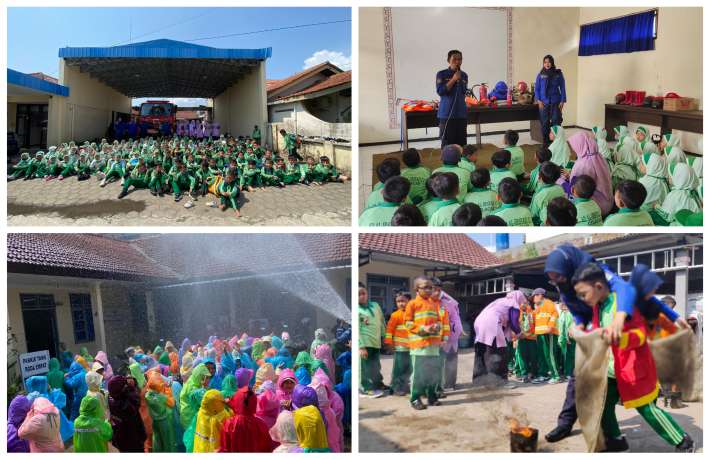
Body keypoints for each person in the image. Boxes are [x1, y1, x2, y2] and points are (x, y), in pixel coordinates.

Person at [571, 263, 695, 452]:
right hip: (610, 367)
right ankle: (616, 441)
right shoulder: (598, 306)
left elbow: (642, 334)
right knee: (603, 406)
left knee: (647, 409)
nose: (582, 299)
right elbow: (598, 329)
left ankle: (682, 440)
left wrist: (621, 339)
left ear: (598, 286)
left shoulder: (626, 302)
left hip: (633, 366)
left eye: (583, 293)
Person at [404, 275, 449, 410]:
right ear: (416, 289)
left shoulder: (435, 304)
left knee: (433, 373)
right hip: (419, 346)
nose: (429, 290)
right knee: (419, 374)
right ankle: (415, 398)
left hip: (433, 346)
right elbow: (408, 323)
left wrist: (437, 327)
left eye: (431, 287)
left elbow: (440, 321)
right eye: (426, 287)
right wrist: (423, 329)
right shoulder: (412, 304)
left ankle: (432, 396)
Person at [473, 291, 525, 388]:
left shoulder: (500, 301)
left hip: (479, 322)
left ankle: (479, 381)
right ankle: (499, 381)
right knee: (498, 352)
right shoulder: (513, 303)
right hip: (491, 323)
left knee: (482, 351)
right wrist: (519, 333)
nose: (522, 302)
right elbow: (514, 322)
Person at [568, 131, 614, 216]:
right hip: (607, 201)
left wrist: (567, 179)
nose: (573, 149)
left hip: (594, 207)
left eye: (574, 146)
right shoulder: (597, 156)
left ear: (581, 145)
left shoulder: (583, 164)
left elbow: (578, 188)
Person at [220, 387, 273, 452]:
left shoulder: (228, 424)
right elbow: (267, 448)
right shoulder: (261, 425)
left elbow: (225, 448)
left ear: (236, 400)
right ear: (254, 402)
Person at [433, 278, 464, 392]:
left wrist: (459, 330)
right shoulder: (430, 301)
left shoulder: (448, 302)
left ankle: (449, 384)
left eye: (438, 290)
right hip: (439, 336)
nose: (436, 292)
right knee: (441, 361)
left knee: (450, 359)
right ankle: (441, 384)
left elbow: (455, 318)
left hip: (449, 335)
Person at [436, 49, 468, 147]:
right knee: (447, 145)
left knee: (461, 144)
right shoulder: (441, 74)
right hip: (447, 114)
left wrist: (459, 79)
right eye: (455, 59)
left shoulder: (464, 75)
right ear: (448, 60)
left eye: (460, 59)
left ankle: (462, 162)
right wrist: (454, 79)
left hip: (461, 114)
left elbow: (464, 92)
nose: (458, 62)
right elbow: (441, 91)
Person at [107, 375, 147, 453]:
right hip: (134, 439)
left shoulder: (110, 400)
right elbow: (136, 401)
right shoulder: (126, 405)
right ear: (123, 389)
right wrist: (131, 388)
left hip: (120, 439)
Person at [384, 291, 413, 396]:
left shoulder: (413, 314)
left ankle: (404, 386)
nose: (401, 303)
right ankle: (395, 387)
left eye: (403, 301)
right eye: (398, 301)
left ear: (409, 301)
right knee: (399, 369)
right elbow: (389, 330)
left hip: (412, 348)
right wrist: (389, 344)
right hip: (400, 348)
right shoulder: (395, 315)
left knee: (409, 368)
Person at [535, 55, 567, 145]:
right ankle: (545, 142)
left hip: (555, 101)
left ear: (552, 63)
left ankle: (555, 142)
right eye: (545, 62)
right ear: (543, 63)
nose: (547, 64)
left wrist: (562, 101)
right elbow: (537, 89)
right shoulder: (540, 75)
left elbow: (562, 87)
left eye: (549, 62)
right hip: (543, 102)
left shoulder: (558, 74)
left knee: (556, 121)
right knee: (544, 123)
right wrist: (538, 100)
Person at [530, 288, 560, 384]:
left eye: (534, 296)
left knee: (550, 355)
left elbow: (555, 314)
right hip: (540, 334)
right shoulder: (537, 308)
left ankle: (556, 376)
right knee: (542, 355)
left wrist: (550, 326)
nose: (533, 299)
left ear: (540, 295)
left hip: (549, 333)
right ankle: (543, 375)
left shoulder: (549, 303)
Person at [145, 372, 178, 452]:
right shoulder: (162, 397)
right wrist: (168, 392)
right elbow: (172, 403)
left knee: (158, 440)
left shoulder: (147, 395)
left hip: (155, 421)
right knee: (168, 442)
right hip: (165, 421)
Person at [530, 161, 565, 226]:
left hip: (546, 221)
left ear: (540, 177)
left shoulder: (539, 195)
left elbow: (533, 214)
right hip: (560, 218)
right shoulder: (560, 188)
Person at [557, 302, 575, 378]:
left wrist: (567, 337)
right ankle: (567, 372)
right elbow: (561, 327)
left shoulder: (570, 313)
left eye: (562, 303)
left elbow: (569, 325)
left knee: (570, 356)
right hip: (563, 338)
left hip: (571, 337)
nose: (560, 305)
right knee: (566, 355)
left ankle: (569, 373)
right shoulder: (562, 313)